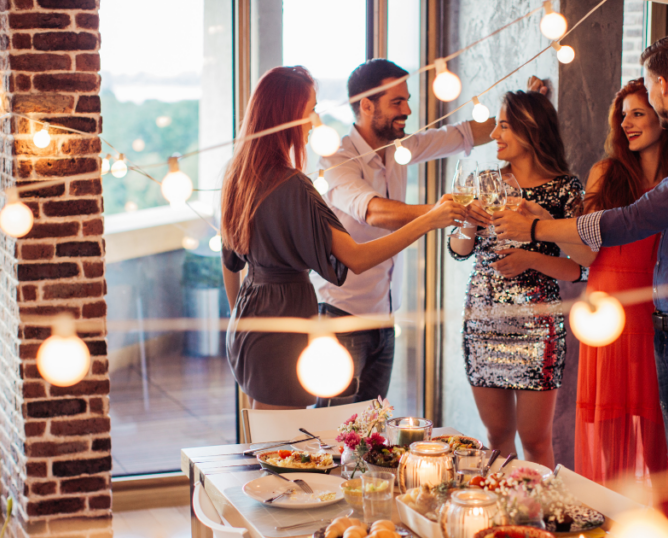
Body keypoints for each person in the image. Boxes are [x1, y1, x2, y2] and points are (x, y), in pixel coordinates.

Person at [493, 35, 668, 538]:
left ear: (661, 86)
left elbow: (642, 217)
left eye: (644, 105)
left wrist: (538, 230)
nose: (632, 119)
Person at [220, 66, 466, 410]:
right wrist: (430, 219)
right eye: (310, 112)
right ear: (287, 117)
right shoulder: (292, 185)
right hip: (286, 325)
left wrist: (239, 315)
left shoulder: (238, 177)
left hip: (250, 321)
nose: (313, 123)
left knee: (264, 438)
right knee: (284, 447)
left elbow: (229, 264)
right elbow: (356, 258)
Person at [314, 59, 494, 405]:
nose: (408, 110)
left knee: (369, 427)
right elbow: (374, 211)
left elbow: (463, 135)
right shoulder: (337, 159)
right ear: (367, 106)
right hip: (341, 318)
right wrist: (438, 212)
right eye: (397, 102)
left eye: (407, 100)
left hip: (385, 317)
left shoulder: (398, 147)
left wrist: (524, 114)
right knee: (330, 429)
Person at [447, 90, 583, 469]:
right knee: (496, 438)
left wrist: (532, 256)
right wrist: (467, 224)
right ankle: (503, 521)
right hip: (483, 321)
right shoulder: (483, 181)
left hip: (539, 327)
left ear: (531, 129)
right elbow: (458, 250)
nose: (494, 134)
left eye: (503, 125)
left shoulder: (566, 189)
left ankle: (541, 521)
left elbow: (581, 267)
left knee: (536, 441)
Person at [573, 79, 668, 527]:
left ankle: (666, 529)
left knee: (663, 438)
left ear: (662, 114)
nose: (627, 122)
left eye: (637, 112)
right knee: (611, 434)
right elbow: (583, 254)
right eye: (623, 115)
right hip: (606, 311)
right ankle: (607, 526)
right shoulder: (606, 172)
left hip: (660, 312)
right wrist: (546, 224)